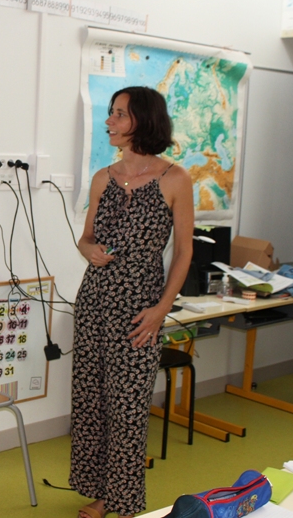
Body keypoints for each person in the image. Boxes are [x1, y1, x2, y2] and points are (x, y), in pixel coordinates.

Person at [70, 86, 194, 518]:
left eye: (119, 114)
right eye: (111, 113)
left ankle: (124, 502)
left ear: (143, 119)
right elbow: (85, 238)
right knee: (92, 403)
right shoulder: (102, 177)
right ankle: (103, 493)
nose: (110, 121)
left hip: (140, 309)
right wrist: (88, 249)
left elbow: (184, 252)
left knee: (127, 410)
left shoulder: (175, 179)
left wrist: (161, 310)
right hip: (94, 302)